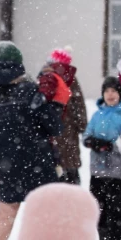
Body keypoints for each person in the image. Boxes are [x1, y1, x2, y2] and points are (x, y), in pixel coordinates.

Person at [0, 41, 64, 240]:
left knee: (6, 211)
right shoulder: (29, 91)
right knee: (41, 211)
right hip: (36, 160)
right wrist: (54, 105)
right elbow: (53, 125)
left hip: (5, 161)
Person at [82, 76, 121, 240]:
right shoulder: (98, 114)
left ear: (120, 94)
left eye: (114, 91)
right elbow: (87, 133)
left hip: (116, 170)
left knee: (115, 208)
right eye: (107, 91)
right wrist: (90, 141)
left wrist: (111, 146)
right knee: (99, 207)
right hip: (97, 170)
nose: (110, 95)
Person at [38, 46, 87, 185]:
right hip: (68, 131)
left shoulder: (43, 77)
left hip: (49, 132)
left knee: (53, 173)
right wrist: (82, 125)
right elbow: (79, 105)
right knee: (70, 174)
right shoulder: (69, 79)